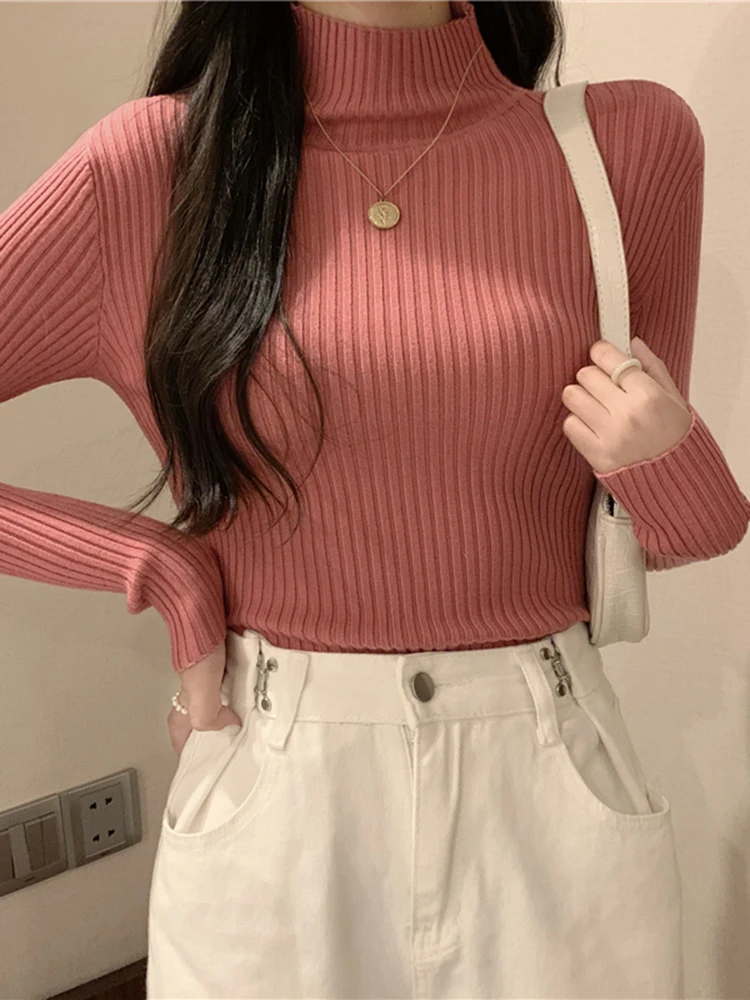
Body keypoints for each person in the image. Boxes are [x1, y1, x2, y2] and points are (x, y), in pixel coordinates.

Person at [2, 1, 749, 997]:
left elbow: (664, 527)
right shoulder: (154, 167)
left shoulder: (626, 144)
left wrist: (675, 465)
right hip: (279, 790)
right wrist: (159, 565)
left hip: (550, 782)